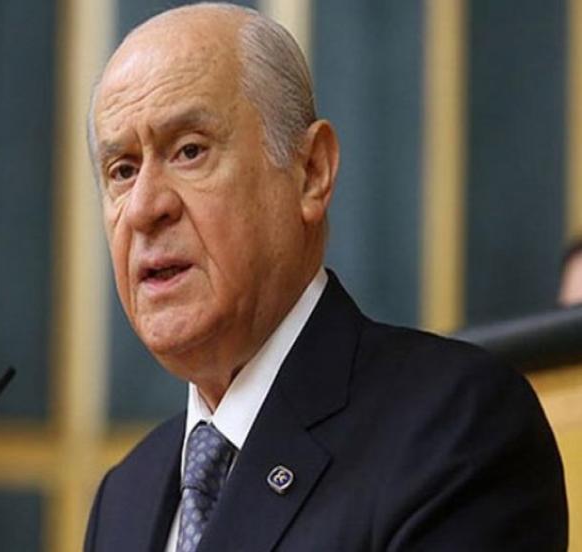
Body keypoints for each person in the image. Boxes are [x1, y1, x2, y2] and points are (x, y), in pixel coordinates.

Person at [84, 3, 568, 551]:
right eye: (122, 171)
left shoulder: (455, 430)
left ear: (311, 172)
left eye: (189, 151)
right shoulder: (126, 496)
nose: (145, 207)